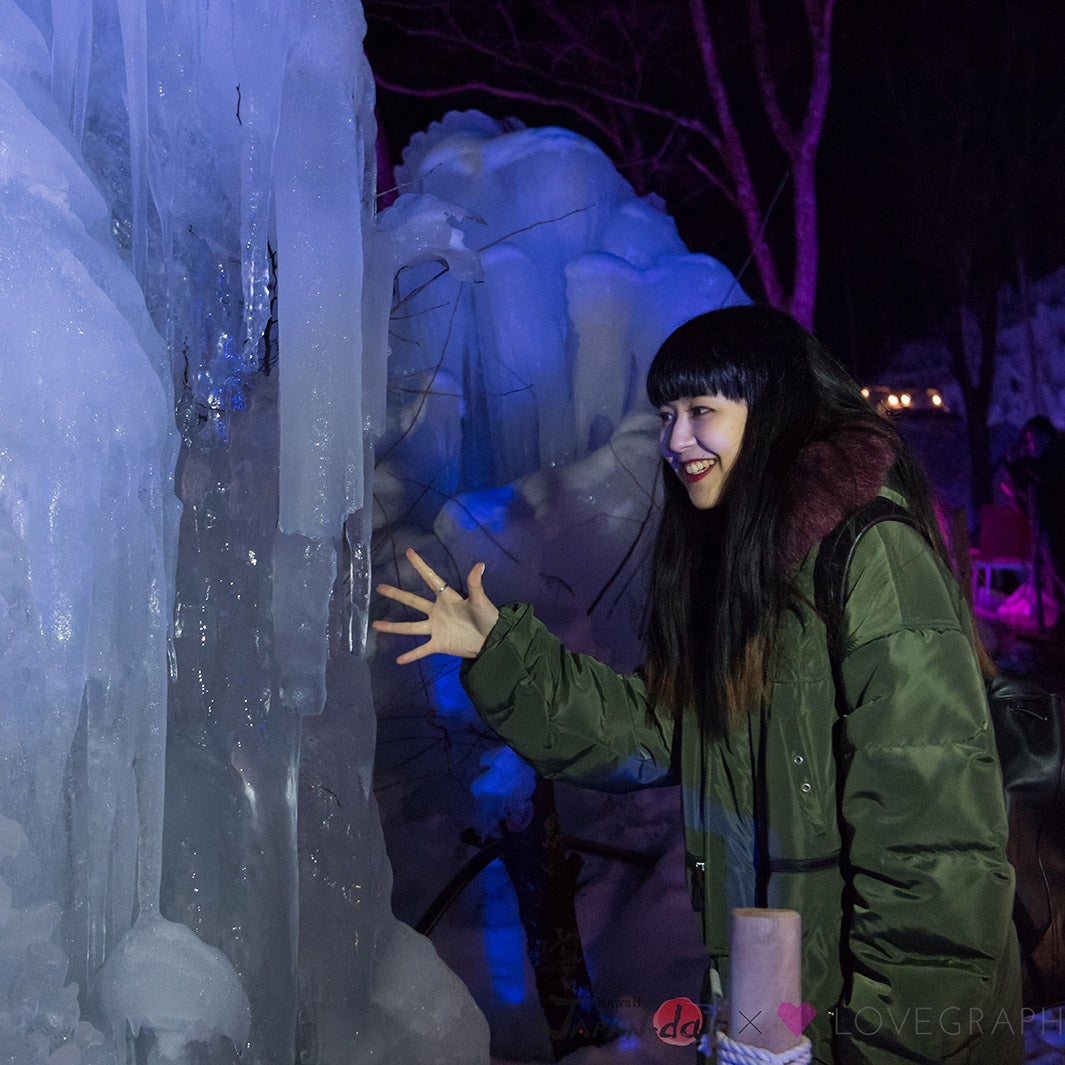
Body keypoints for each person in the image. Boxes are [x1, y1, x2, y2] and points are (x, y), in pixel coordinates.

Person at [373, 305, 1022, 1064]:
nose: (676, 439)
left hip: (871, 1025)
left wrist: (891, 1045)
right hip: (773, 1008)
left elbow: (933, 844)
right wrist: (501, 652)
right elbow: (652, 732)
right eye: (668, 414)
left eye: (701, 411)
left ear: (775, 409)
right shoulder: (747, 574)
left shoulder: (869, 556)